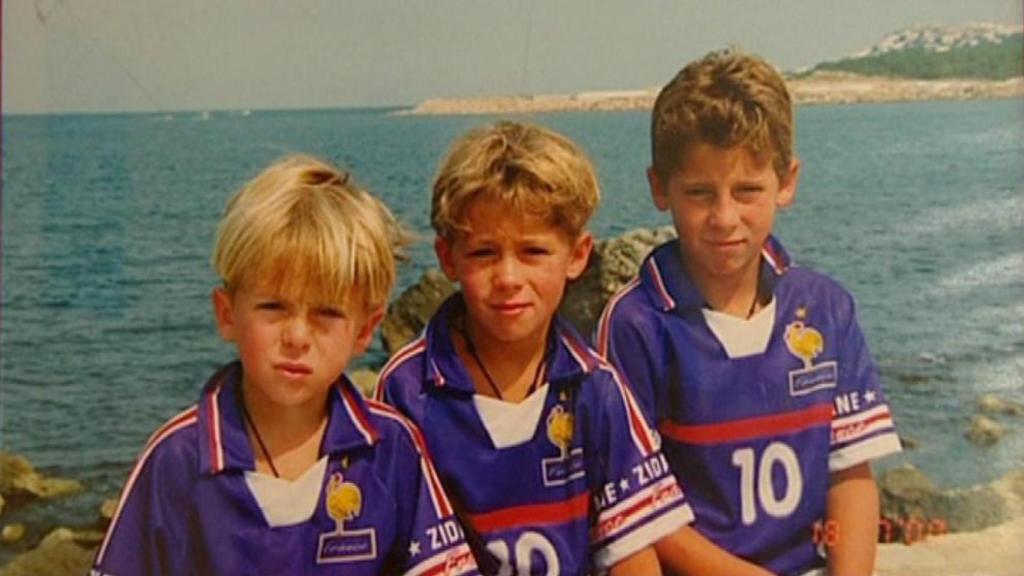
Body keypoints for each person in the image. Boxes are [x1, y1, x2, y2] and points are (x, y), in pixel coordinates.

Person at [92, 156, 478, 576]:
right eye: (273, 307)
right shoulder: (178, 460)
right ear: (227, 314)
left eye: (326, 313)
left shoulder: (391, 449)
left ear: (366, 330)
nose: (297, 336)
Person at [595, 49, 902, 576]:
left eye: (747, 191)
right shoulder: (636, 325)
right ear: (658, 188)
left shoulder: (824, 308)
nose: (724, 217)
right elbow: (637, 517)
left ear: (786, 182)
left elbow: (850, 474)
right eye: (698, 193)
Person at [376, 121, 694, 576]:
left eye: (533, 252)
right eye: (484, 253)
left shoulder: (595, 387)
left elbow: (634, 550)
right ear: (448, 258)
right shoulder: (408, 392)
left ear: (578, 255)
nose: (508, 278)